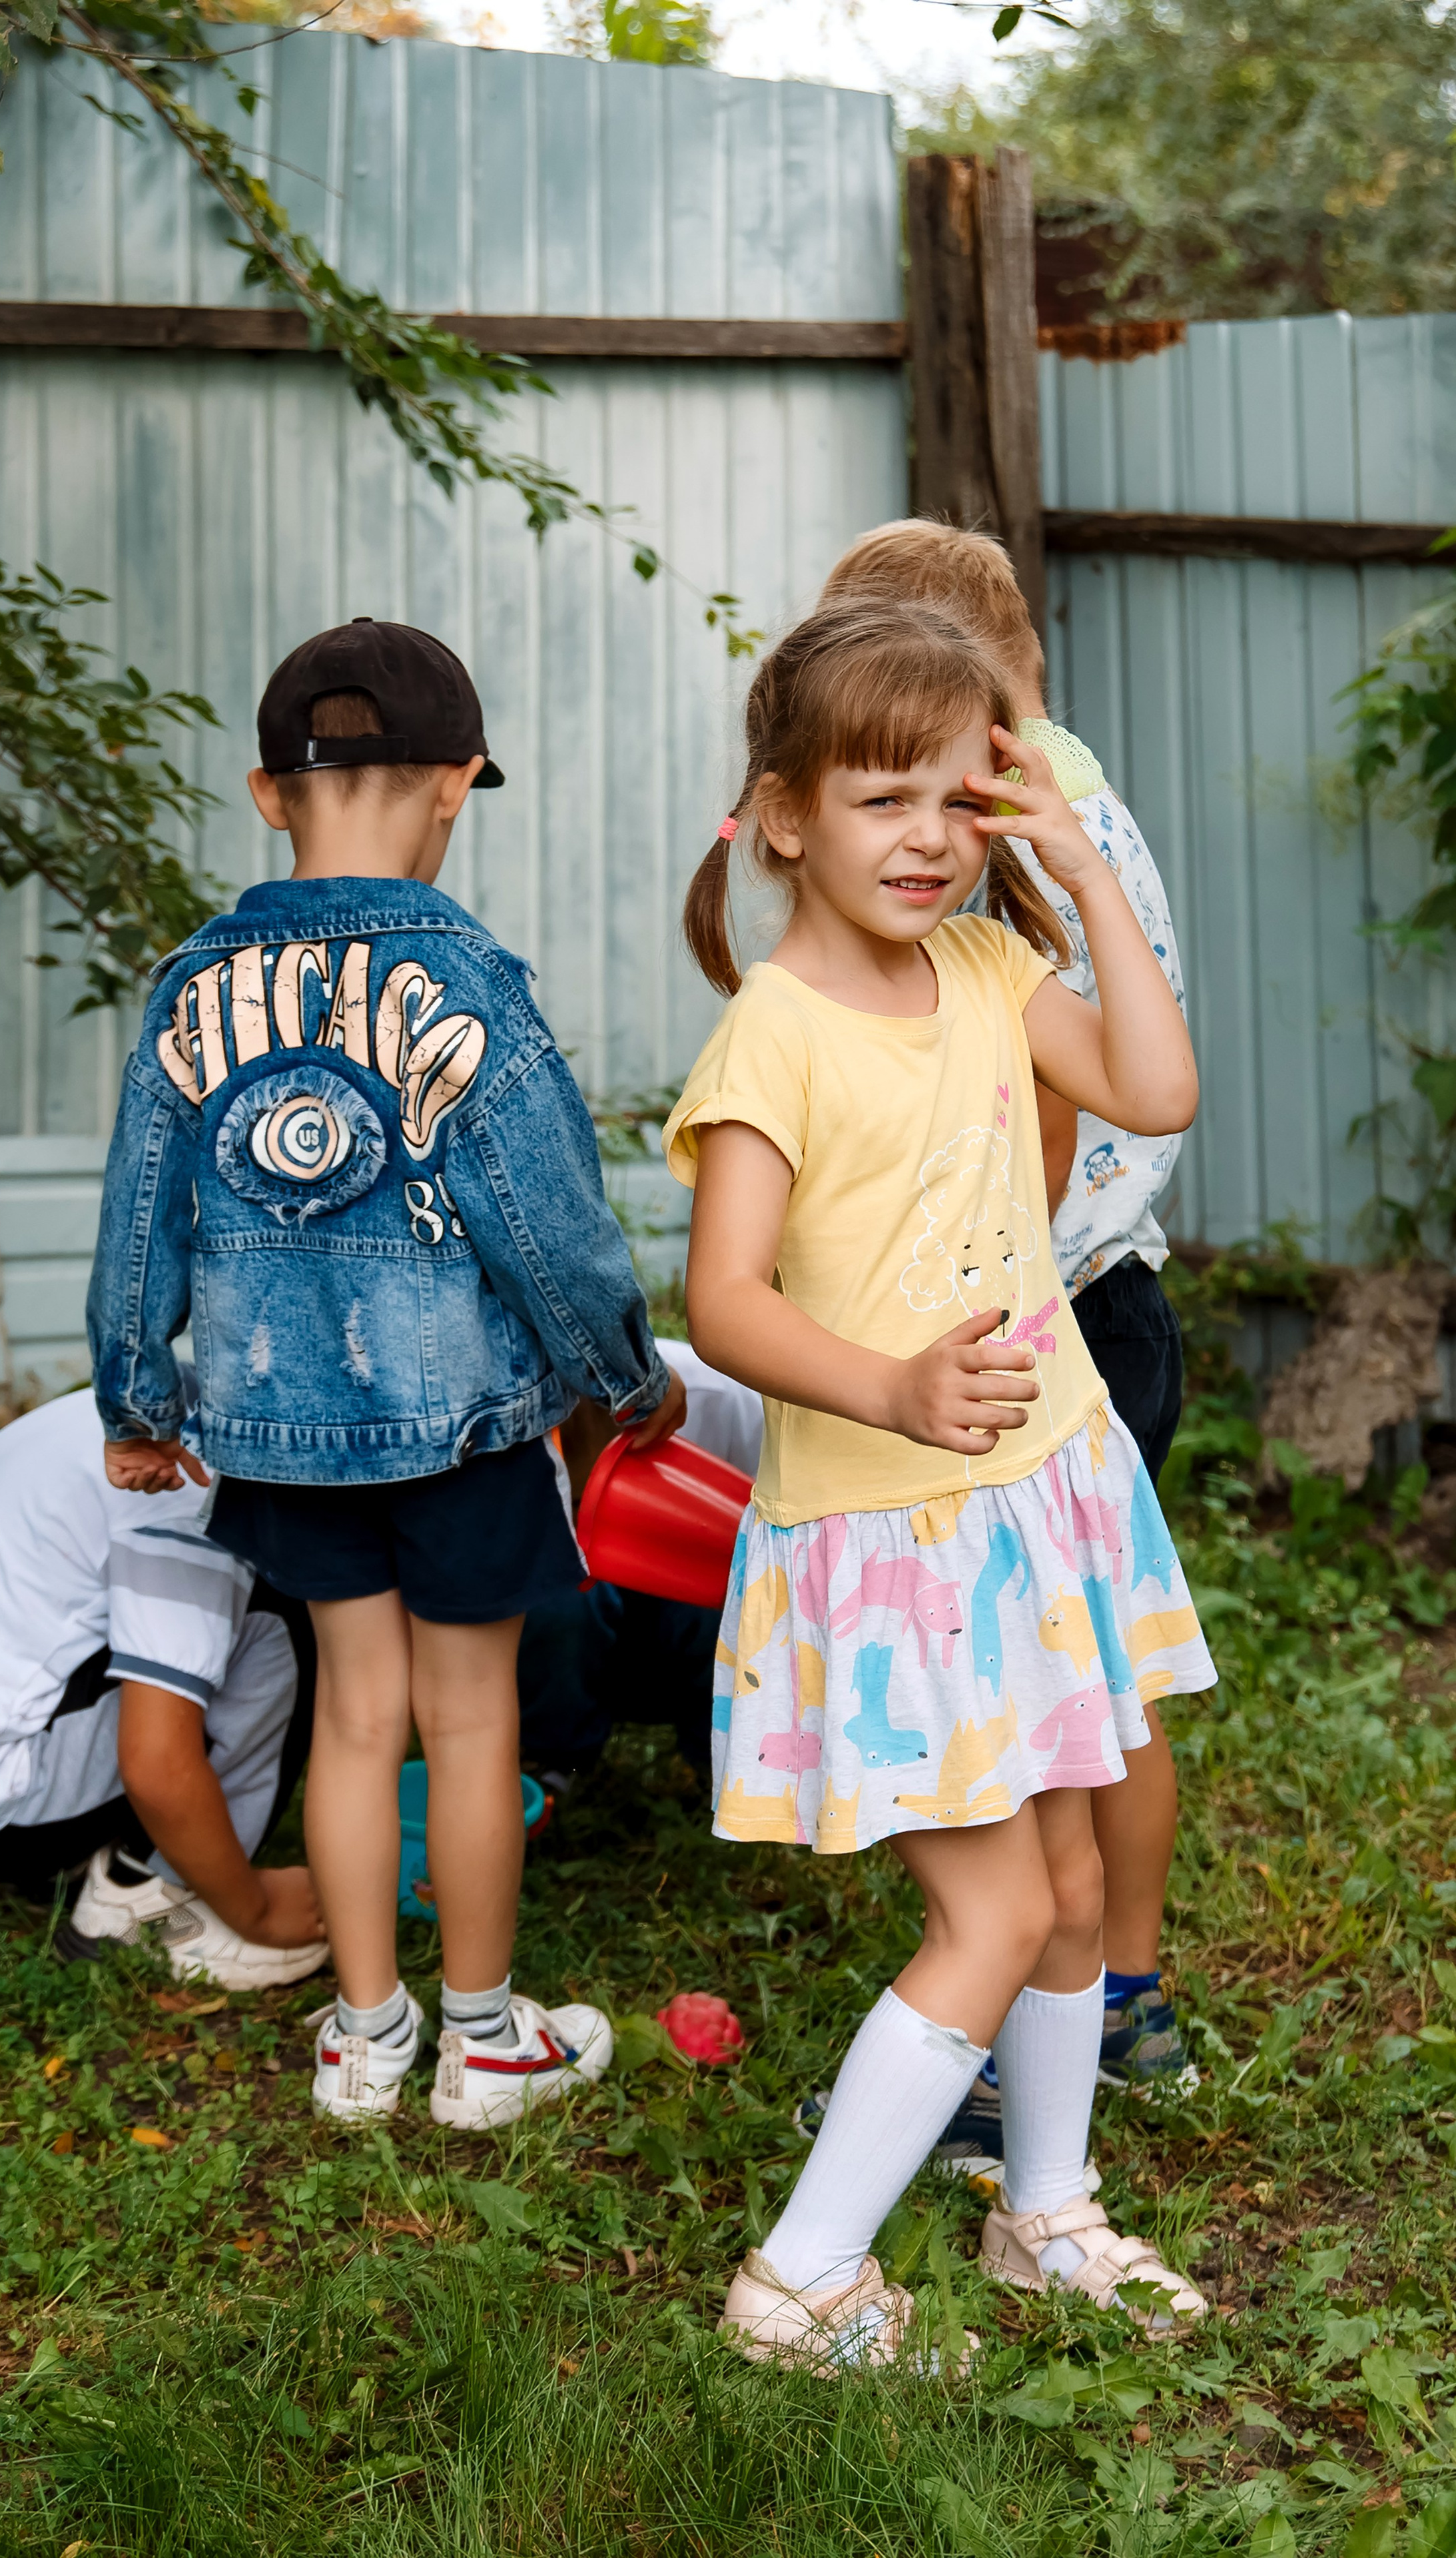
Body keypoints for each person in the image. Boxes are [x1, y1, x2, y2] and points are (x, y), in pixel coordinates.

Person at [666, 598, 1215, 2369]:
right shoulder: (777, 1035)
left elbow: (1158, 1083)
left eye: (958, 802)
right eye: (882, 796)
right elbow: (723, 1298)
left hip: (1037, 1497)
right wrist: (894, 1384)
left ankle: (1043, 2214)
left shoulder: (990, 973)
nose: (924, 839)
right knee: (993, 1910)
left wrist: (1081, 871)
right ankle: (802, 2277)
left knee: (1062, 1886)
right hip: (891, 1540)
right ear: (785, 818)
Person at [87, 617, 685, 2131]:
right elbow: (548, 1221)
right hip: (462, 1424)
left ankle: (363, 2036)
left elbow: (134, 1218)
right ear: (455, 785)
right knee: (467, 1716)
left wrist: (137, 1403)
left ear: (263, 792)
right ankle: (482, 2041)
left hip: (281, 1431)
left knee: (354, 1714)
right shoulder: (469, 987)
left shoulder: (184, 995)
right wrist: (619, 1373)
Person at [823, 521, 1194, 2104]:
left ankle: (1020, 2018)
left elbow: (1030, 1114)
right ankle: (1125, 1990)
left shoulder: (993, 841)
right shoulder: (1078, 808)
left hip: (1032, 1327)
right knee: (1100, 1688)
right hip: (1124, 1291)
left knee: (1021, 1708)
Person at [0, 1388, 329, 1992]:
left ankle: (105, 1862)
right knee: (288, 1601)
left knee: (193, 1622)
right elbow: (155, 1764)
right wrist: (256, 1906)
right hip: (4, 1810)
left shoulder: (132, 1411)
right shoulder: (187, 1482)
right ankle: (157, 1892)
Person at [519, 1338, 765, 1785]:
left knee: (732, 1595)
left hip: (689, 1614)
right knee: (560, 1602)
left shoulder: (722, 1398)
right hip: (570, 1635)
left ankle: (727, 1764)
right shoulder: (516, 1413)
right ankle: (553, 1761)